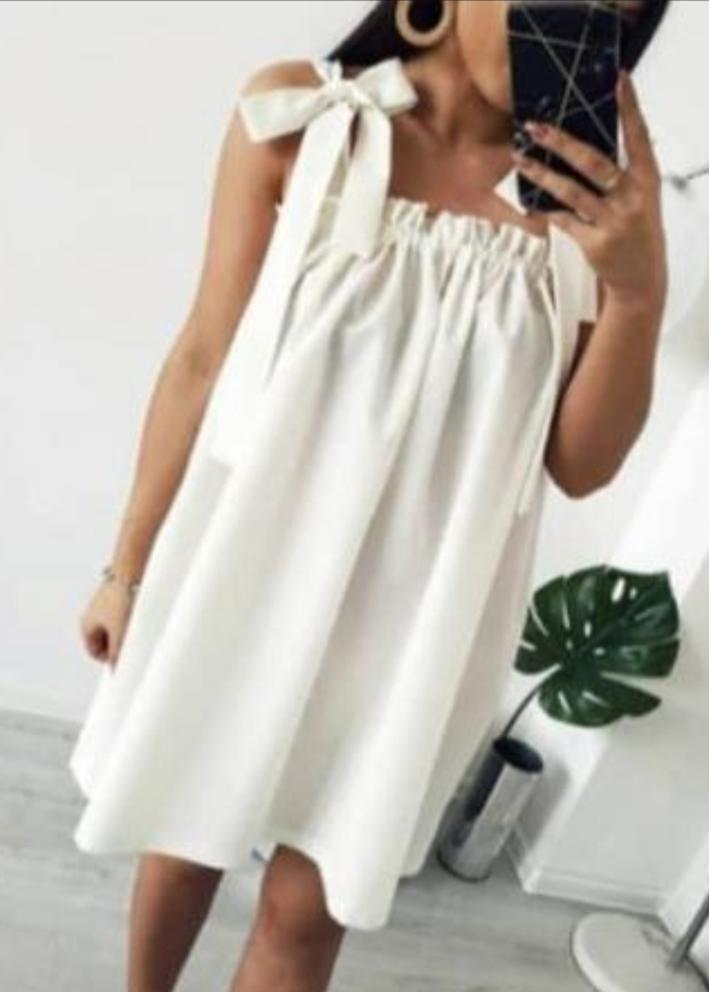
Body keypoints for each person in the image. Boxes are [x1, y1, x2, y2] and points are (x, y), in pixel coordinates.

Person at [71, 1, 670, 990]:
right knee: (181, 831)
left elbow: (579, 464)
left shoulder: (587, 217)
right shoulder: (302, 116)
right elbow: (202, 356)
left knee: (306, 916)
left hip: (420, 624)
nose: (566, 21)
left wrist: (638, 297)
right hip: (248, 564)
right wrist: (124, 569)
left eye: (609, 11)